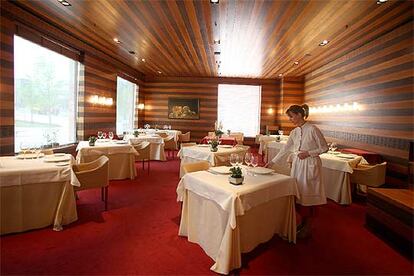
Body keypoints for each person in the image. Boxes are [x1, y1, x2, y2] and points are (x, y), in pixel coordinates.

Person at [267, 104, 328, 238]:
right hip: (298, 165)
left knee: (308, 193)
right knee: (298, 193)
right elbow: (285, 149)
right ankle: (302, 222)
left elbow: (324, 148)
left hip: (310, 164)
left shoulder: (312, 129)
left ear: (299, 115)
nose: (290, 119)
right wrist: (272, 162)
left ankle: (308, 225)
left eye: (291, 116)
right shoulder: (294, 132)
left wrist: (309, 153)